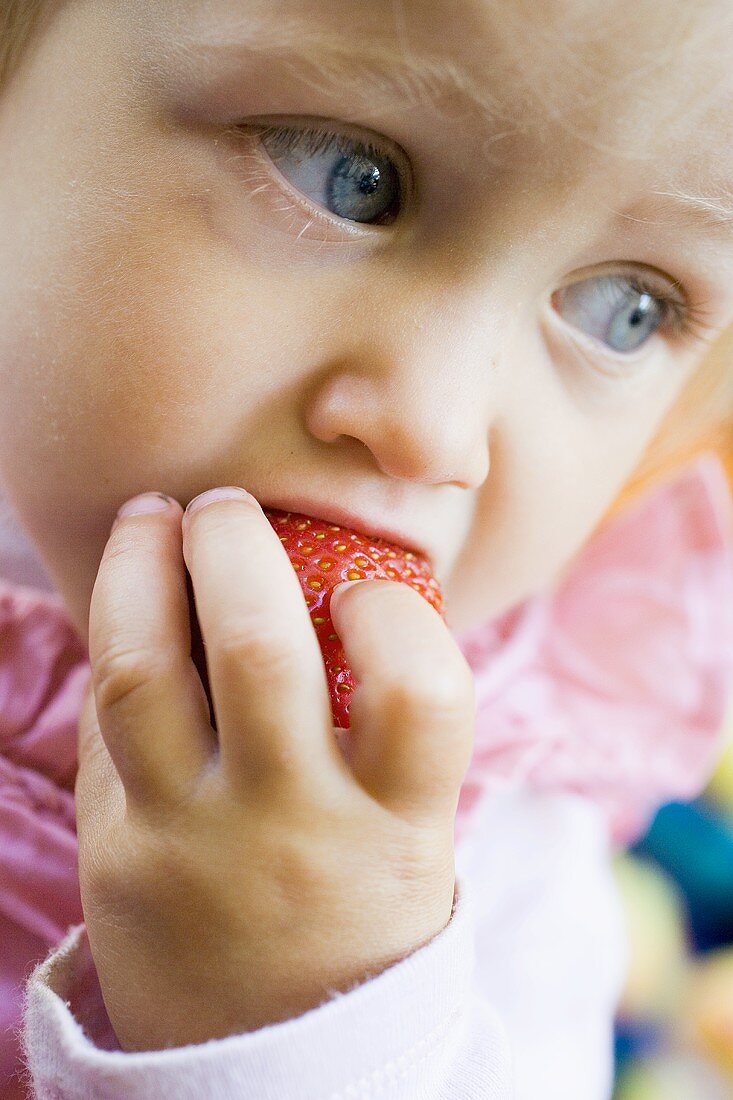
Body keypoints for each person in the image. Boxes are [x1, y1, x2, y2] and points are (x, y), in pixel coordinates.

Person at [2, 0, 733, 1096]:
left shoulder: (493, 838)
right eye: (348, 173)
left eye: (625, 307)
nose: (434, 427)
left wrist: (306, 1022)